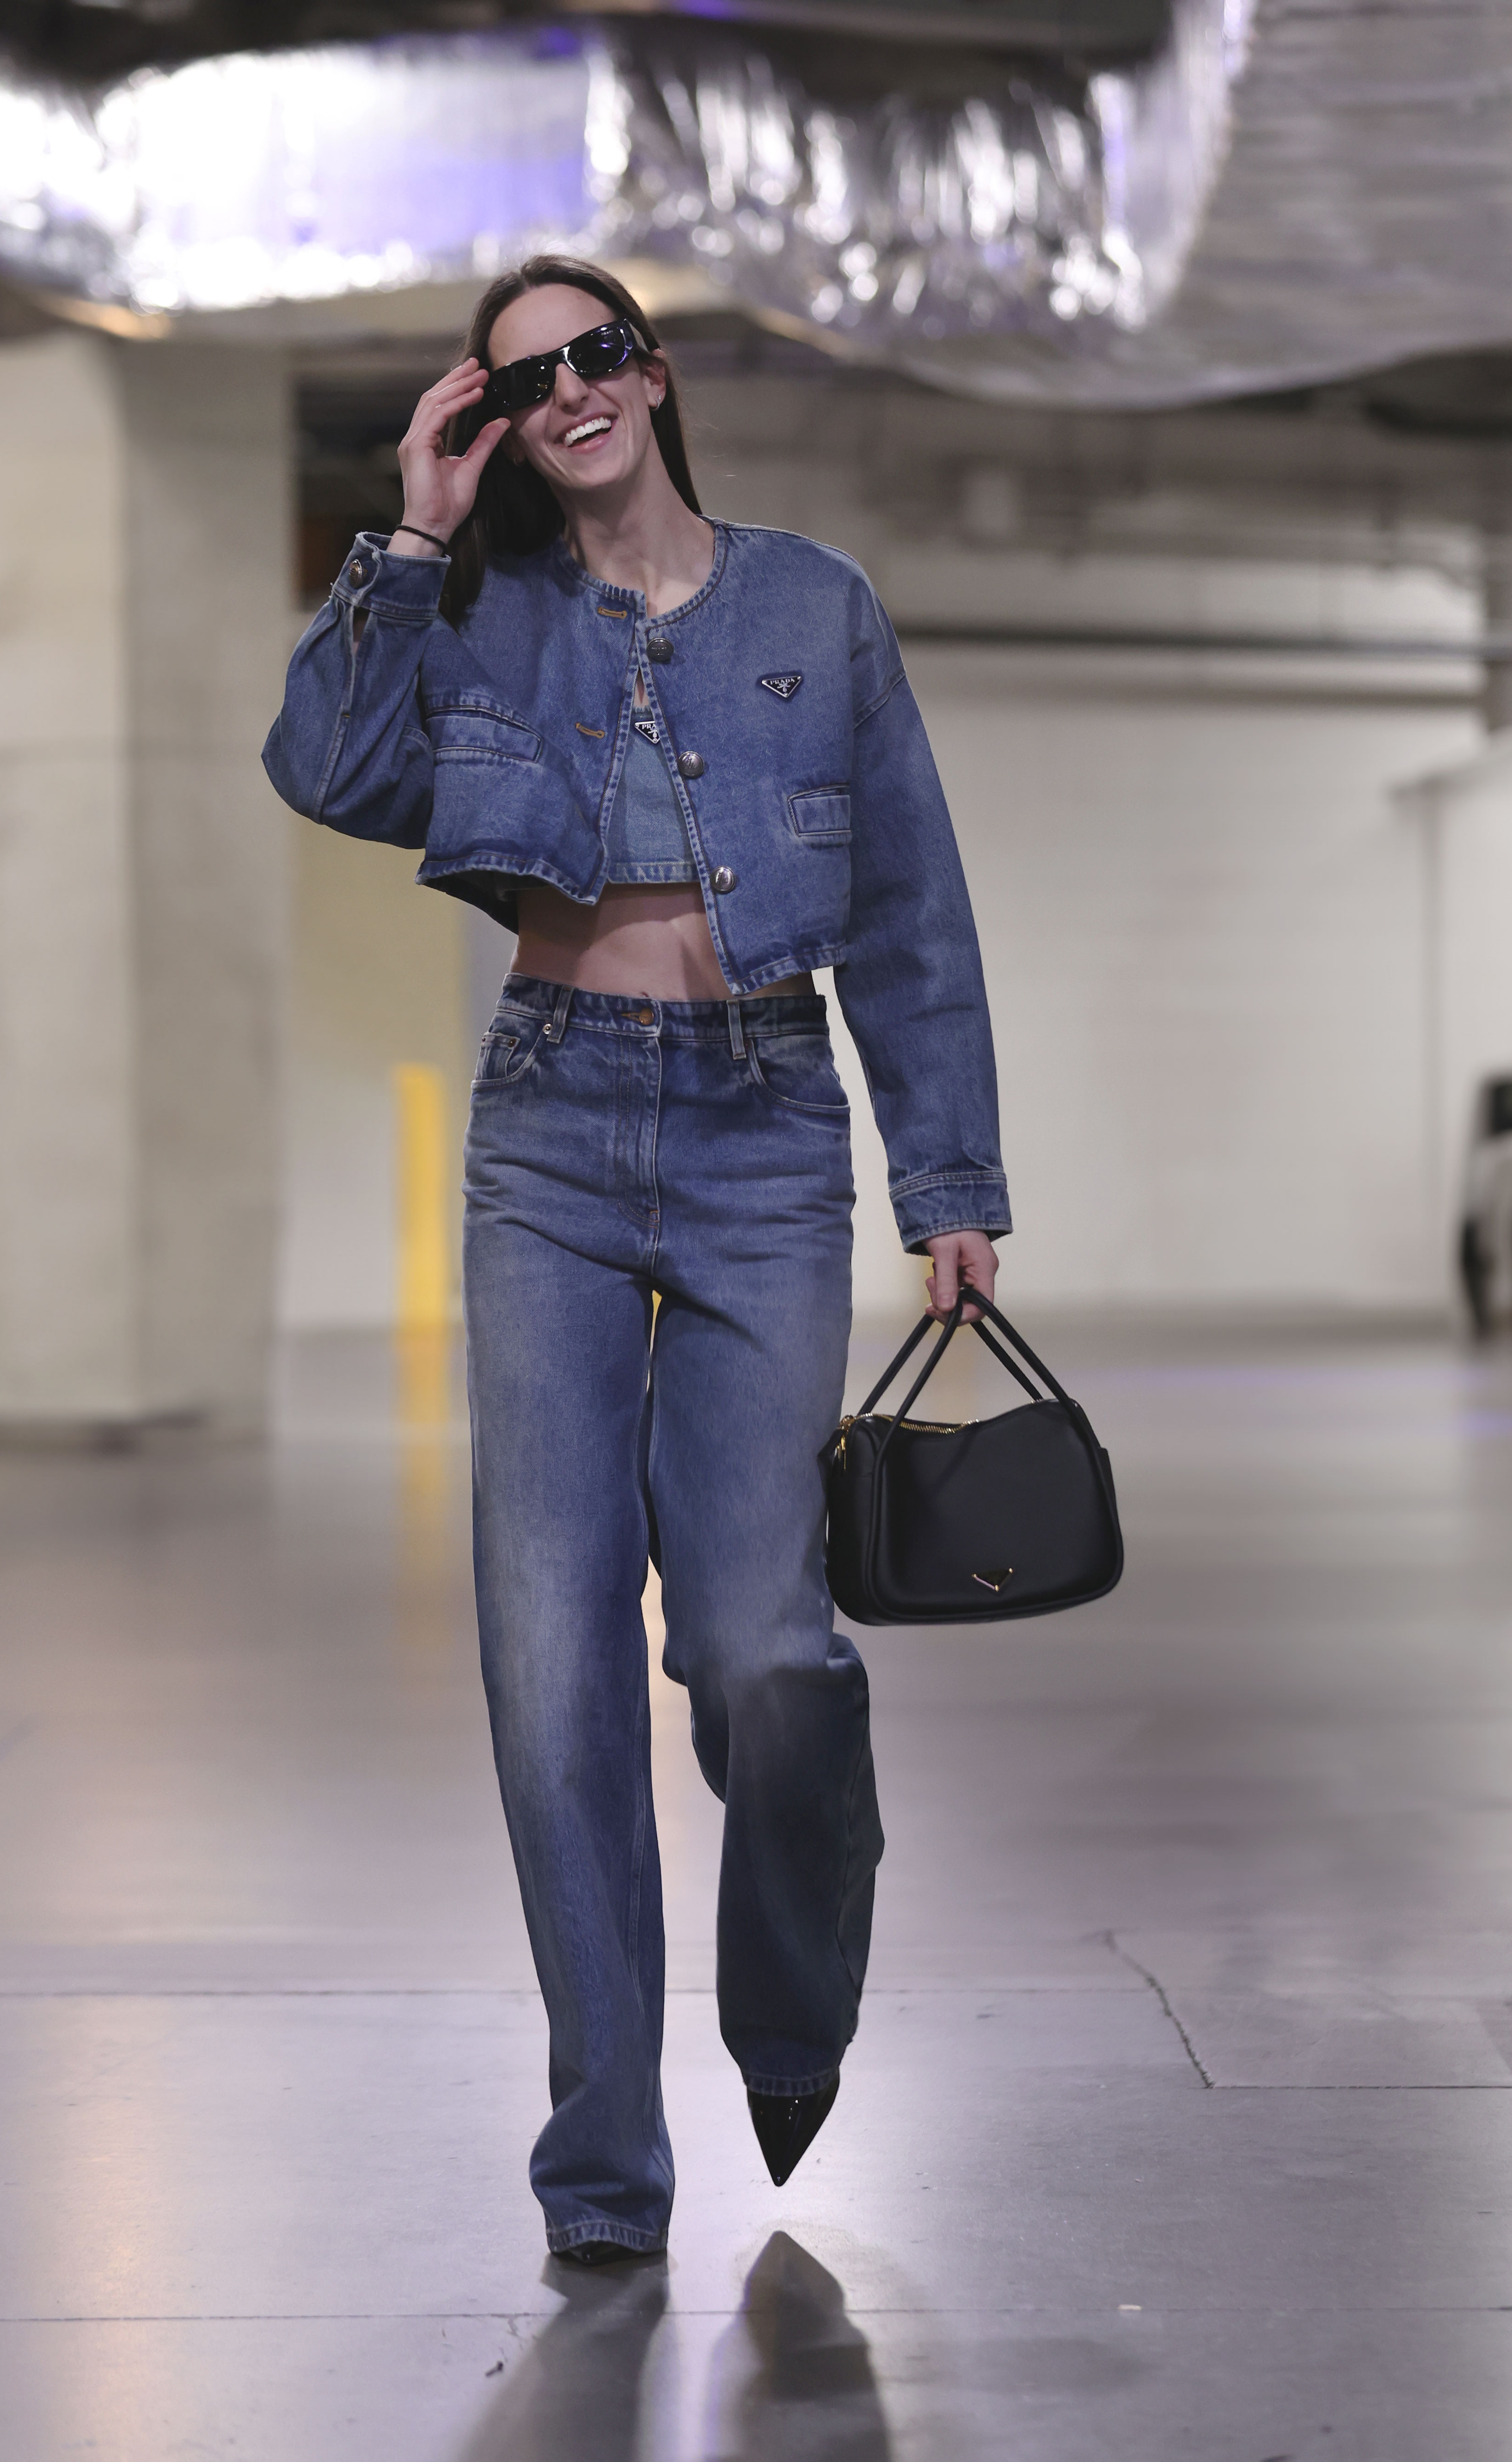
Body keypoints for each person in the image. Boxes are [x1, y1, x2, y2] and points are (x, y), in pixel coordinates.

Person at [263, 257, 1010, 2266]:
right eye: (522, 379)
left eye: (597, 353)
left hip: (770, 1129)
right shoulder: (483, 607)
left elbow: (914, 903)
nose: (570, 390)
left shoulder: (814, 603)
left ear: (655, 373)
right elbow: (325, 769)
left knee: (764, 1652)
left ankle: (789, 2007)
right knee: (553, 1665)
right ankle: (604, 2165)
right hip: (553, 1136)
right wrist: (412, 526)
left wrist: (952, 1172)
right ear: (495, 416)